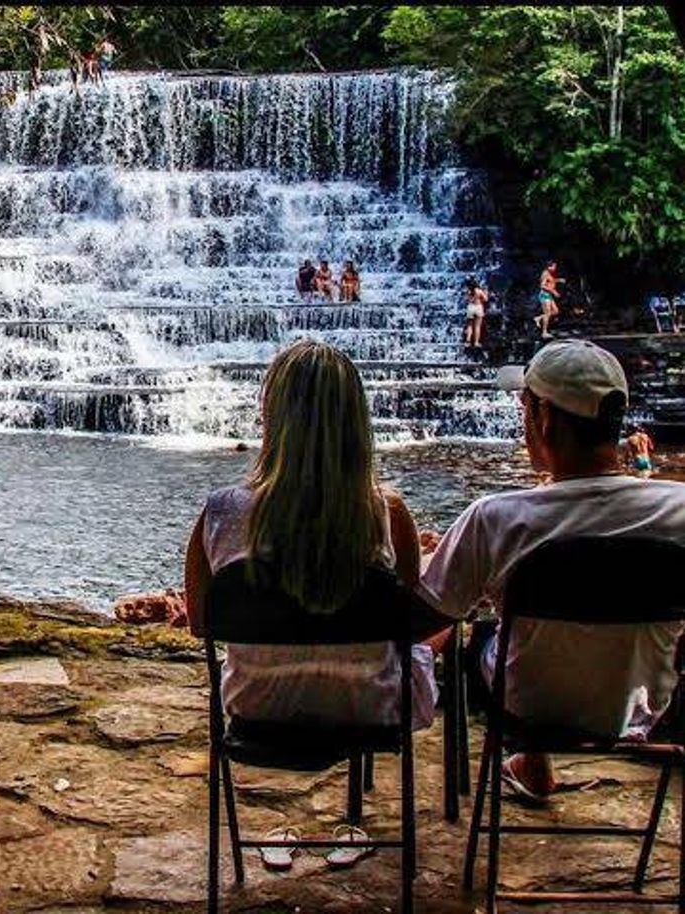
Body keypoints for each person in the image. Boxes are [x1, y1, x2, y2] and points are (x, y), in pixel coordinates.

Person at [186, 340, 452, 865]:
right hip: (373, 709)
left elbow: (200, 624)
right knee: (438, 633)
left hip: (257, 706)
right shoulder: (386, 512)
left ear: (272, 415)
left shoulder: (219, 513)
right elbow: (406, 623)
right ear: (357, 421)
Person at [420, 340, 685, 802]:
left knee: (487, 634)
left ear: (543, 418)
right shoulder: (679, 510)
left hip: (525, 706)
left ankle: (531, 758)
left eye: (525, 408)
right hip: (645, 709)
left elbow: (430, 614)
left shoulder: (495, 518)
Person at [535, 260, 561, 339]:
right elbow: (542, 286)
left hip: (549, 295)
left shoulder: (550, 274)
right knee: (547, 313)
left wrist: (558, 280)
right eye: (554, 266)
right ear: (549, 266)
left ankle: (539, 318)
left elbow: (550, 282)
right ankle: (544, 332)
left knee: (556, 311)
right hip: (544, 295)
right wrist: (553, 291)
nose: (555, 268)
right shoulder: (545, 274)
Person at [463, 277, 489, 349]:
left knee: (469, 325)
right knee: (477, 326)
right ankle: (476, 342)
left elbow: (466, 299)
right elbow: (486, 299)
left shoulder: (468, 291)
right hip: (478, 307)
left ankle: (467, 341)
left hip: (471, 307)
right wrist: (486, 292)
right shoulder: (479, 291)